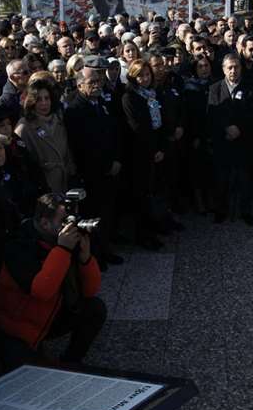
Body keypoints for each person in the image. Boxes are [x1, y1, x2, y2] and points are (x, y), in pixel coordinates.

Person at [0, 193, 106, 368]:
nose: (71, 227)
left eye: (73, 220)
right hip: (15, 328)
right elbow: (42, 291)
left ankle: (71, 361)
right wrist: (63, 249)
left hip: (50, 315)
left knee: (95, 308)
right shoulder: (19, 245)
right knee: (30, 377)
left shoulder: (62, 241)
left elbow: (90, 291)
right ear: (44, 223)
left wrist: (85, 258)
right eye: (64, 222)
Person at [63, 66, 124, 268]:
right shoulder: (74, 110)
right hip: (92, 173)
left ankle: (106, 249)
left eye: (99, 81)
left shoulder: (102, 103)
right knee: (93, 214)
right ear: (80, 85)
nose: (97, 85)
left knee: (108, 211)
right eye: (92, 83)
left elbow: (113, 132)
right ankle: (95, 256)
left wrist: (116, 159)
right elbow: (82, 146)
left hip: (110, 169)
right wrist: (105, 165)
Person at [208, 53, 253, 225]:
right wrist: (227, 128)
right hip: (223, 140)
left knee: (245, 178)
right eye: (229, 67)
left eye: (236, 67)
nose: (233, 71)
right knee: (221, 178)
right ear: (223, 69)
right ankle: (220, 210)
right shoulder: (214, 88)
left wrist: (239, 128)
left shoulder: (251, 87)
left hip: (244, 139)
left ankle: (246, 211)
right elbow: (213, 113)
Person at [122, 60, 167, 248]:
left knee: (154, 190)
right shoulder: (129, 97)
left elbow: (159, 124)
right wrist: (153, 150)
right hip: (140, 152)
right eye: (140, 75)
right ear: (133, 76)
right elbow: (137, 127)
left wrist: (161, 147)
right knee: (141, 194)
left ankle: (155, 225)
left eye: (147, 74)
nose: (144, 78)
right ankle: (143, 235)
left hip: (156, 148)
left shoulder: (153, 94)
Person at [15, 80, 75, 194]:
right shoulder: (24, 126)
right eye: (38, 100)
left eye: (47, 98)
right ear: (31, 102)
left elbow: (67, 150)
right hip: (44, 185)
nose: (44, 103)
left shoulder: (59, 121)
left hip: (65, 181)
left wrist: (71, 170)